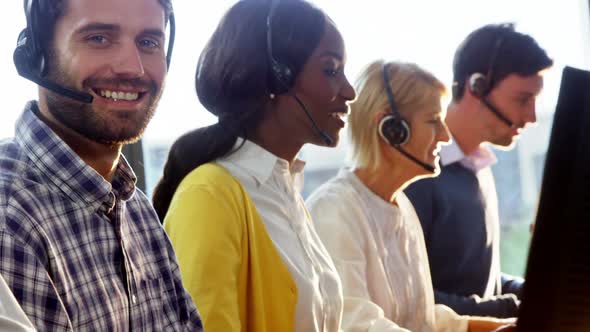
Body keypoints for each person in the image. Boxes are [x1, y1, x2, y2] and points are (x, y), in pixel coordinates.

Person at [153, 0, 355, 331]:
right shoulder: (209, 196)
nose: (349, 91)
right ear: (276, 76)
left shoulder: (285, 193)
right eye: (331, 69)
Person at [0, 0, 202, 330]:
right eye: (99, 38)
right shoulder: (10, 223)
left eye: (149, 42)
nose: (133, 68)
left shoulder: (134, 206)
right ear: (36, 55)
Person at [307, 60, 516, 332]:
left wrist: (503, 327)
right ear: (391, 129)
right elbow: (358, 326)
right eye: (433, 121)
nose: (445, 136)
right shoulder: (335, 210)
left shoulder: (401, 207)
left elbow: (420, 318)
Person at [405, 23, 553, 318]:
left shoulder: (478, 168)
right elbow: (409, 299)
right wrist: (512, 309)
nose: (532, 116)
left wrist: (533, 291)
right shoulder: (416, 174)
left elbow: (478, 284)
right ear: (477, 86)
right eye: (523, 99)